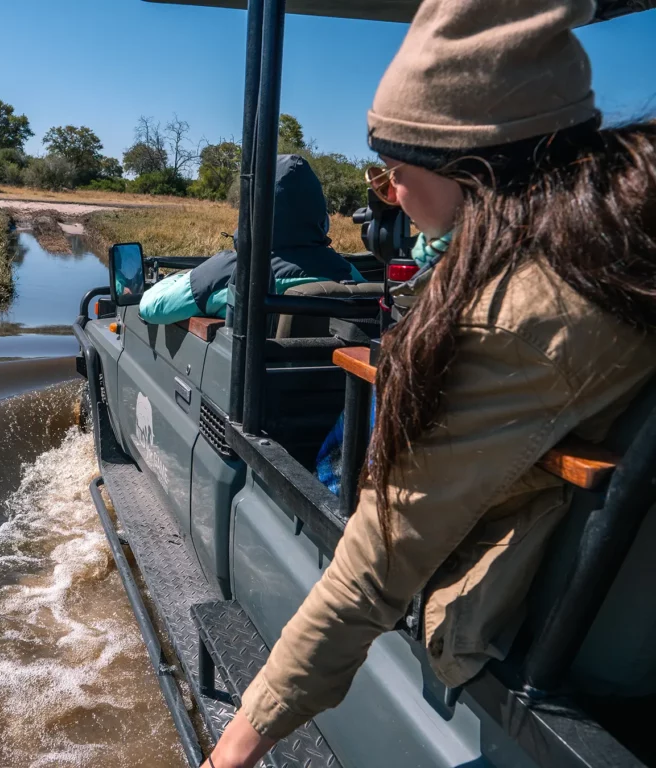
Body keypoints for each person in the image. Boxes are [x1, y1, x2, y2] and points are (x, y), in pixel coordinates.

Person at [206, 0, 656, 765]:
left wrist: (236, 746)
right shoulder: (613, 241)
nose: (392, 194)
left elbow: (376, 564)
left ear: (471, 171)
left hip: (561, 665)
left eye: (395, 172)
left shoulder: (516, 324)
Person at [138, 154, 362, 324]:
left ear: (252, 212)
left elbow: (152, 308)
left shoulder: (228, 271)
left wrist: (179, 277)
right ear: (320, 217)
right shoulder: (346, 272)